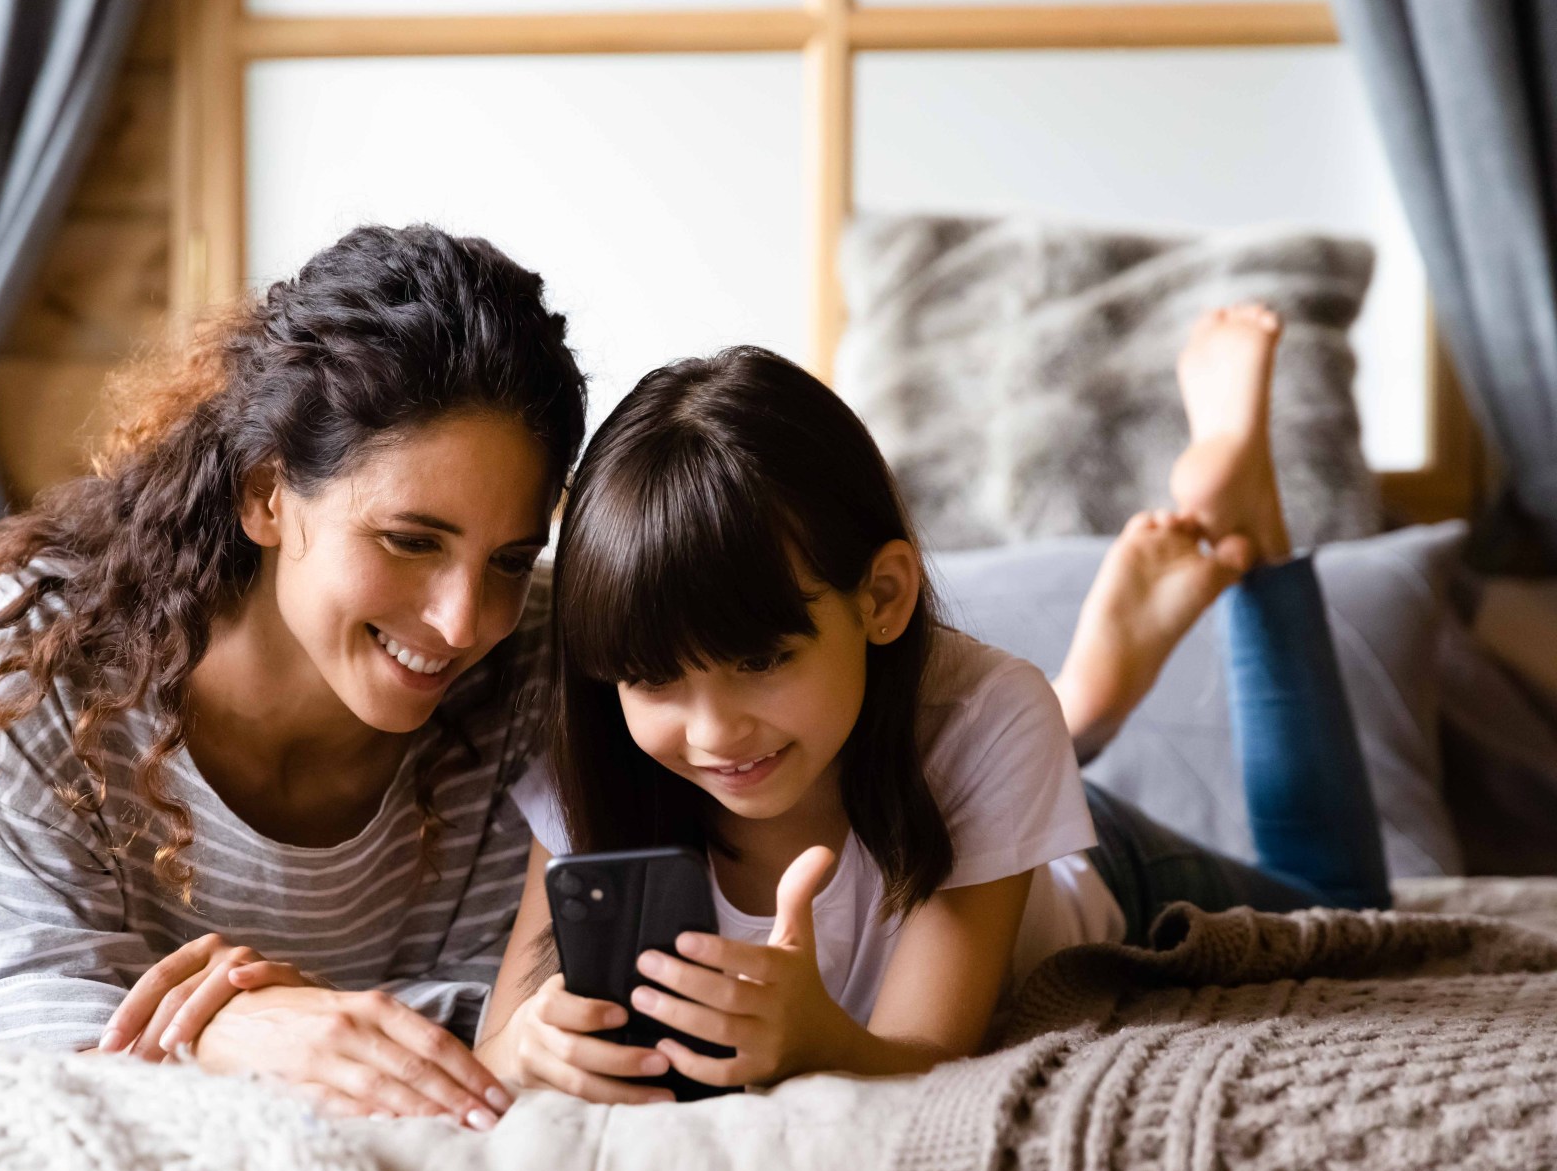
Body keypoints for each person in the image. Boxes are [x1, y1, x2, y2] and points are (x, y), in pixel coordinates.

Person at [473, 306, 1391, 1103]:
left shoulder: (988, 718)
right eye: (654, 680)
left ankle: (1258, 546)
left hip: (1092, 872)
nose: (713, 732)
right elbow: (498, 1048)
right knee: (996, 729)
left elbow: (928, 1052)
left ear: (882, 599)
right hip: (946, 758)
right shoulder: (594, 765)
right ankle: (1085, 704)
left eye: (759, 660)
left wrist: (814, 1038)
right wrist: (528, 1047)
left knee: (1354, 915)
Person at [0, 225, 586, 1131]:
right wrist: (229, 1026)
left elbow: (505, 1020)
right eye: (409, 541)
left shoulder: (541, 661)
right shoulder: (42, 654)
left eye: (508, 558)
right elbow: (20, 999)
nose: (465, 621)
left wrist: (300, 1022)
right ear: (267, 493)